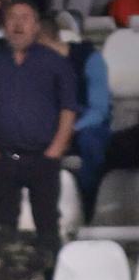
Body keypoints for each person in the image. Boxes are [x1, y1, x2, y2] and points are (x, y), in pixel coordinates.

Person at [0, 0, 76, 264]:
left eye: (25, 18)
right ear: (4, 26)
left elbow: (68, 107)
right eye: (12, 18)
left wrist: (56, 150)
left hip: (43, 158)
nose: (18, 24)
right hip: (2, 158)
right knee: (4, 226)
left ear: (36, 26)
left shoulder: (54, 62)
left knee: (47, 223)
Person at [37, 15, 111, 223]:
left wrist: (69, 130)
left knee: (92, 141)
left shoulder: (89, 59)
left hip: (84, 128)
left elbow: (99, 110)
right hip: (50, 127)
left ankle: (91, 208)